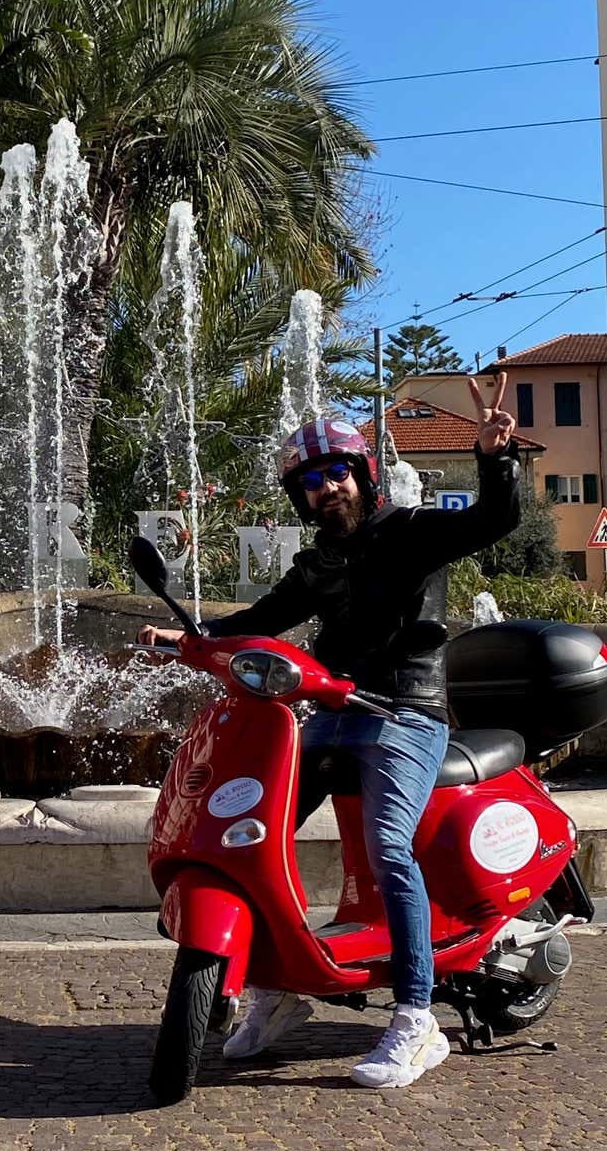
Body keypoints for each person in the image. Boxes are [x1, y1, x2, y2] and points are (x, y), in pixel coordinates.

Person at [140, 370, 521, 1089]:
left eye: (337, 473)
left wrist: (494, 459)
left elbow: (489, 521)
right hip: (336, 715)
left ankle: (415, 1018)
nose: (327, 489)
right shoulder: (318, 565)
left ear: (363, 475)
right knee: (251, 831)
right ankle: (278, 988)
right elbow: (259, 619)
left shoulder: (411, 532)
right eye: (311, 482)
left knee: (387, 846)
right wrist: (187, 639)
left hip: (404, 713)